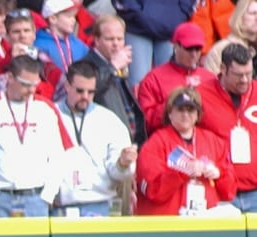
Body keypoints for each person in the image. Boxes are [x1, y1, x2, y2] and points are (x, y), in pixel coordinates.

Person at [0, 54, 70, 217]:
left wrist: (48, 194)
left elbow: (58, 156)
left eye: (35, 84)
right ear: (10, 78)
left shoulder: (44, 110)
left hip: (35, 197)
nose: (31, 90)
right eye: (25, 84)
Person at [54, 59, 137, 216]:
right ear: (67, 86)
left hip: (102, 205)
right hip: (61, 207)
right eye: (79, 91)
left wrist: (123, 164)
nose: (85, 96)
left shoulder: (109, 120)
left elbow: (119, 174)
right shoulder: (48, 114)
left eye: (91, 92)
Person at [135, 86, 235, 214]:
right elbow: (152, 191)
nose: (185, 115)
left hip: (204, 221)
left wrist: (219, 174)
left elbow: (230, 192)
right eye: (180, 110)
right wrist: (182, 172)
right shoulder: (155, 144)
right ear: (170, 113)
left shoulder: (213, 142)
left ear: (198, 114)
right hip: (168, 224)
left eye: (190, 110)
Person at [197, 42, 257, 211]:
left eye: (248, 73)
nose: (245, 80)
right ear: (223, 69)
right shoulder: (201, 95)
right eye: (238, 75)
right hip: (219, 191)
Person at [138, 22, 214, 133]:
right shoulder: (154, 78)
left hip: (203, 141)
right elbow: (146, 121)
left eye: (197, 49)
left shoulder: (209, 77)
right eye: (189, 48)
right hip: (167, 140)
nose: (193, 54)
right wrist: (175, 103)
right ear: (175, 45)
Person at [87, 14, 146, 143]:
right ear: (96, 40)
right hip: (106, 138)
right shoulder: (86, 64)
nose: (116, 44)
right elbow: (90, 90)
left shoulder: (117, 63)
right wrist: (113, 67)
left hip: (130, 137)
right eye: (110, 39)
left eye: (120, 39)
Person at [123, 2, 193, 87]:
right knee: (138, 85)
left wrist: (182, 13)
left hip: (170, 27)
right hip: (136, 27)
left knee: (172, 86)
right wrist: (134, 12)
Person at [38, 0, 90, 75]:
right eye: (69, 17)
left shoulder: (78, 44)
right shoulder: (39, 44)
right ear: (53, 19)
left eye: (74, 16)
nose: (74, 20)